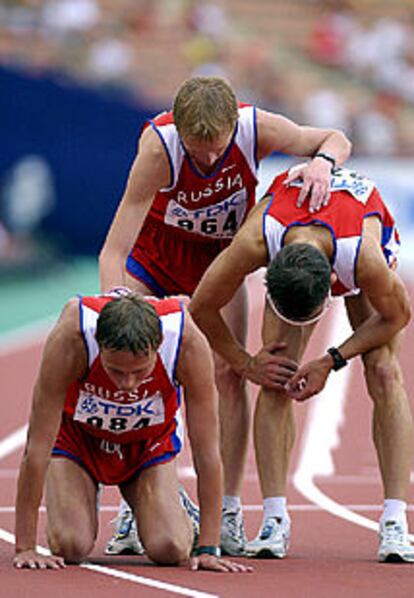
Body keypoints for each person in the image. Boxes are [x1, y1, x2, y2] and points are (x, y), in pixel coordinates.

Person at [99, 75, 352, 556]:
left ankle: (230, 510)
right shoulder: (159, 147)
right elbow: (114, 247)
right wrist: (117, 302)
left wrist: (322, 164)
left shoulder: (256, 127)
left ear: (232, 127)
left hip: (218, 265)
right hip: (153, 264)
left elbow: (334, 139)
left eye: (217, 150)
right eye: (198, 151)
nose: (209, 160)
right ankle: (136, 507)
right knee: (137, 373)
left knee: (230, 373)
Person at [189, 166, 414, 563]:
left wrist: (332, 359)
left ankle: (395, 521)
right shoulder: (254, 240)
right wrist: (245, 364)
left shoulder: (365, 260)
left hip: (355, 225)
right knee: (276, 372)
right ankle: (274, 517)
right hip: (298, 231)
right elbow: (202, 307)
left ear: (331, 282)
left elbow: (397, 317)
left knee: (383, 370)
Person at [13, 291, 251, 572]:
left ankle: (173, 509)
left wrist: (209, 547)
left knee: (170, 548)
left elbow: (207, 451)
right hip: (78, 440)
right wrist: (25, 547)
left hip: (148, 444)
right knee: (70, 546)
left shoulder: (186, 341)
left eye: (140, 372)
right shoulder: (71, 337)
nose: (127, 384)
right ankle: (86, 491)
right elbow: (37, 447)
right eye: (115, 371)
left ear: (158, 346)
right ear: (98, 345)